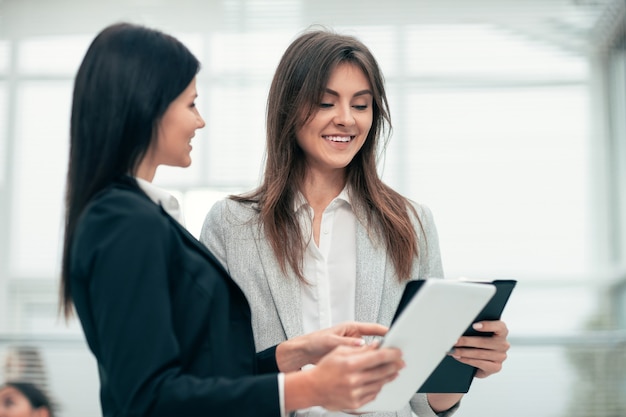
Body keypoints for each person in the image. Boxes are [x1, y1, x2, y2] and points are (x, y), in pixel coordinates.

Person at [59, 22, 405, 417]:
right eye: (190, 104)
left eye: (360, 104)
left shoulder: (137, 216)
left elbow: (203, 376)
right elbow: (149, 400)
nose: (200, 121)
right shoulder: (124, 222)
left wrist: (290, 355)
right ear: (146, 105)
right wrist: (308, 387)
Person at [200, 29, 510, 417]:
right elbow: (211, 373)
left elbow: (422, 401)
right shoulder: (231, 225)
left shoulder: (410, 223)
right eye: (327, 102)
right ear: (289, 109)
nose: (346, 120)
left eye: (361, 106)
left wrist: (465, 365)